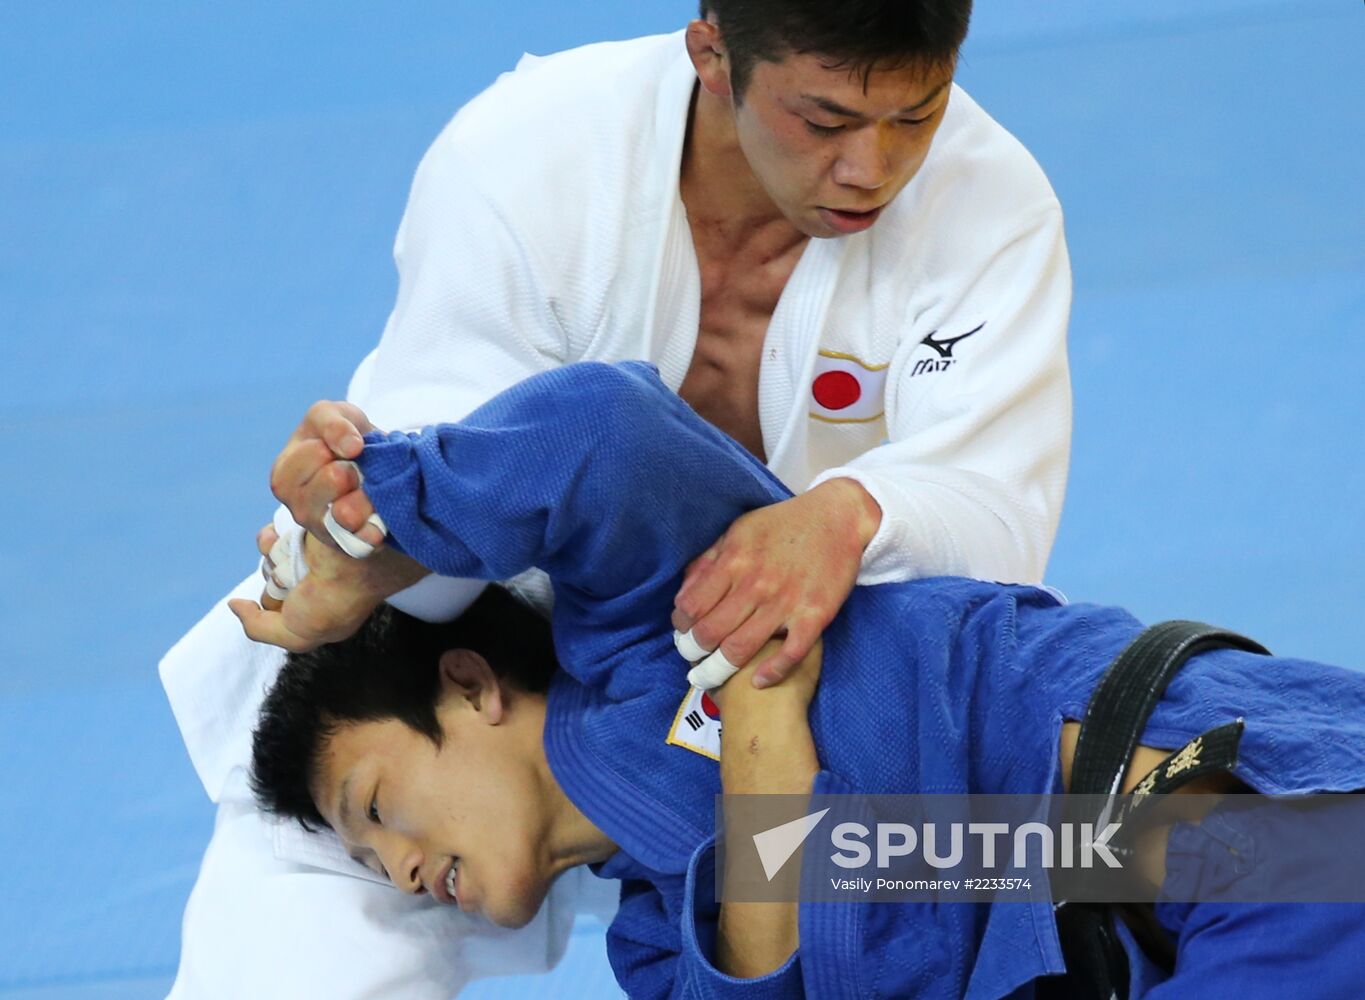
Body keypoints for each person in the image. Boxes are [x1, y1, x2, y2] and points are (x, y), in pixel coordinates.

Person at [164, 1, 1072, 994]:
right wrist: (362, 533)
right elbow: (496, 462)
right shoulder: (527, 156)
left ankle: (1249, 847)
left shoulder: (992, 206)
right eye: (824, 122)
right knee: (297, 923)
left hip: (810, 698)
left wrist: (853, 513)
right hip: (475, 704)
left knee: (1126, 869)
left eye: (918, 114)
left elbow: (997, 530)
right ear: (714, 50)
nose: (874, 167)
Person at [250, 362, 1365, 999]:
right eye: (372, 864)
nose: (397, 868)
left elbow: (603, 435)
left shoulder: (648, 620)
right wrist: (763, 775)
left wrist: (384, 518)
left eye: (377, 808)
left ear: (468, 684)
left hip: (1180, 805)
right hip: (1090, 932)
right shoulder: (652, 942)